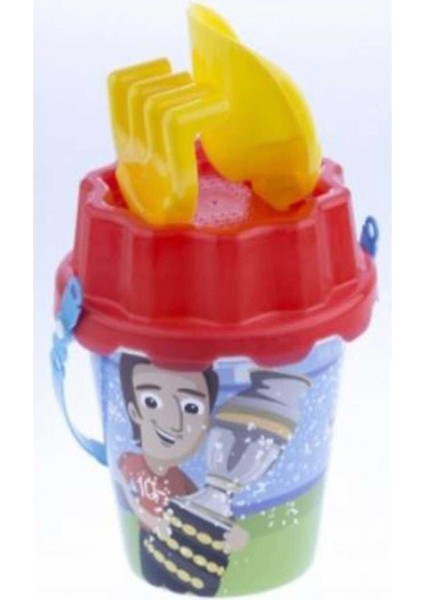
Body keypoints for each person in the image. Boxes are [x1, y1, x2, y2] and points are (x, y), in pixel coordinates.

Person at [117, 353, 248, 592]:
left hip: (177, 548)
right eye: (152, 402)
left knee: (181, 585)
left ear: (206, 424)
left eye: (191, 407)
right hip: (148, 541)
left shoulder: (180, 479)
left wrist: (231, 532)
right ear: (134, 412)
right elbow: (124, 486)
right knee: (152, 580)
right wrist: (147, 518)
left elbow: (208, 508)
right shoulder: (131, 462)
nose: (174, 423)